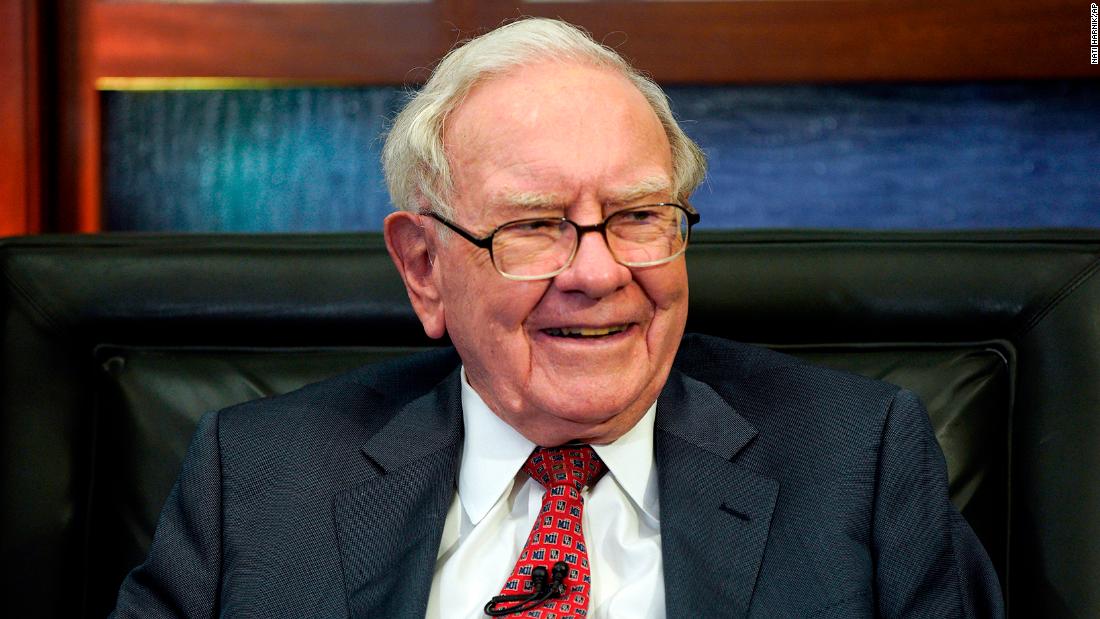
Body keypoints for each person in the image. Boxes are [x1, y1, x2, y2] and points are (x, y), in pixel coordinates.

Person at [112, 17, 1004, 618]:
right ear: (423, 268)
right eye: (535, 225)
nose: (599, 272)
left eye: (640, 216)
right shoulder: (259, 482)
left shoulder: (861, 460)